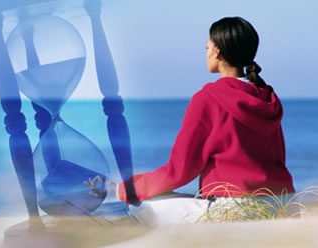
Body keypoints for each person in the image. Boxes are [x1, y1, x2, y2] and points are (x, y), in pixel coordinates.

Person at [85, 16, 296, 224]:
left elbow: (180, 171)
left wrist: (123, 189)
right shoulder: (267, 98)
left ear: (218, 52)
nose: (206, 54)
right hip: (281, 204)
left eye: (207, 48)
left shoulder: (208, 98)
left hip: (236, 211)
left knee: (137, 204)